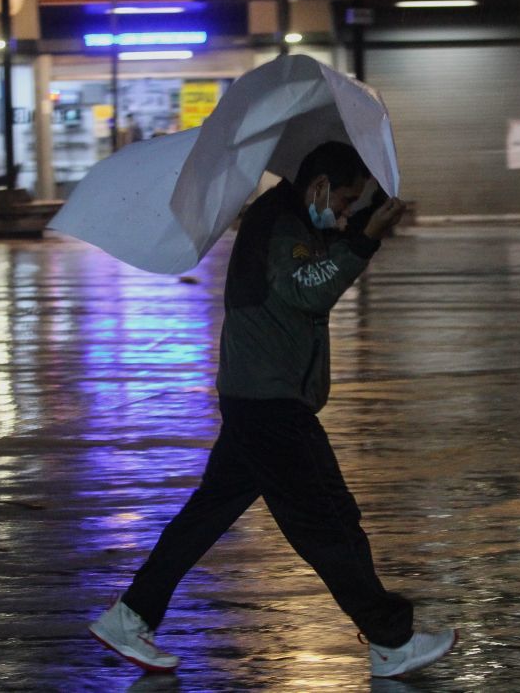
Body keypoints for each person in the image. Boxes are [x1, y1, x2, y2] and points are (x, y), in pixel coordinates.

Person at [88, 141, 457, 679]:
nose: (347, 212)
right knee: (324, 521)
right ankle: (389, 638)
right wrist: (364, 240)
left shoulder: (289, 220)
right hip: (269, 404)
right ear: (320, 187)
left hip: (258, 397)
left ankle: (132, 614)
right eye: (346, 200)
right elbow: (309, 290)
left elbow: (314, 267)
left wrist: (360, 229)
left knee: (211, 513)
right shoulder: (279, 223)